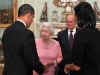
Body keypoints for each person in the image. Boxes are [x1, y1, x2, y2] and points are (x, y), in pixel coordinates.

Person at [2, 4, 45, 75]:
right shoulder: (27, 34)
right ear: (28, 15)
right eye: (32, 18)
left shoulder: (7, 30)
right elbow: (32, 59)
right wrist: (42, 69)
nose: (32, 21)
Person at [65, 2, 100, 75]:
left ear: (79, 17)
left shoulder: (80, 34)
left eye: (75, 15)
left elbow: (77, 66)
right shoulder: (98, 33)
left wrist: (67, 66)